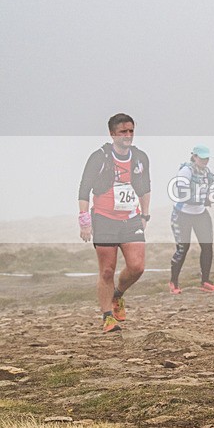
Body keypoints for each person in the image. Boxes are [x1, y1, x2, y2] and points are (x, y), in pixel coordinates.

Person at [78, 113, 151, 333]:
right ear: (112, 134)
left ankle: (117, 294)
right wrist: (84, 221)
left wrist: (145, 215)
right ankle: (108, 317)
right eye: (122, 132)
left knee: (137, 267)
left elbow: (145, 188)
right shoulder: (99, 157)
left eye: (131, 131)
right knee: (107, 270)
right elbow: (84, 189)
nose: (127, 135)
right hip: (104, 219)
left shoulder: (140, 157)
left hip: (130, 218)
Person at [169, 145, 214, 294]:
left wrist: (208, 199)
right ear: (194, 157)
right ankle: (174, 282)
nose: (205, 160)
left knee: (207, 247)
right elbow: (182, 194)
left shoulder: (207, 173)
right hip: (182, 214)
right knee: (183, 248)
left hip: (200, 214)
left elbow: (206, 191)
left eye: (207, 158)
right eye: (202, 157)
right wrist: (202, 199)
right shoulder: (186, 171)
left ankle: (205, 282)